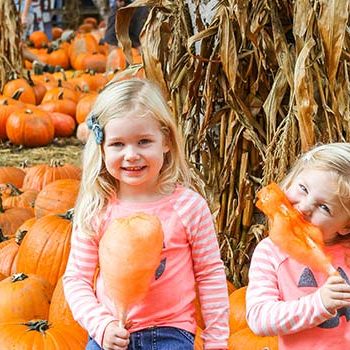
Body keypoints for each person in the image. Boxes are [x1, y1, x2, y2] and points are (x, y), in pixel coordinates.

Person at [63, 78, 229, 350]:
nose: (131, 155)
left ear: (165, 140)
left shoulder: (188, 207)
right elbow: (76, 279)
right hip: (111, 334)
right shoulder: (97, 208)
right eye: (118, 144)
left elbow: (210, 274)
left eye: (143, 141)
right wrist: (100, 325)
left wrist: (216, 342)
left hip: (170, 333)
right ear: (102, 147)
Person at [246, 142, 350, 349]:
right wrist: (319, 303)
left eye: (324, 207)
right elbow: (259, 319)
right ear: (290, 182)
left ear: (346, 226)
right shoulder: (270, 253)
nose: (304, 208)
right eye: (303, 189)